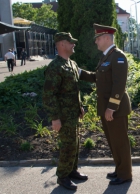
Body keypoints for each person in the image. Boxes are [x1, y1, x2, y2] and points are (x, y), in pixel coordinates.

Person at [79, 24, 132, 185]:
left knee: (120, 141)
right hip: (107, 108)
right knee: (113, 141)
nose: (96, 41)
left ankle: (125, 174)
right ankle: (119, 169)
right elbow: (98, 77)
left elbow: (119, 85)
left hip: (115, 109)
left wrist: (111, 107)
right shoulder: (106, 57)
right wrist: (80, 72)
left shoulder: (118, 56)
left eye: (98, 38)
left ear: (107, 38)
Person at [42, 32, 88, 190]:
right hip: (63, 116)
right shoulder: (55, 67)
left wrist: (80, 106)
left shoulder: (72, 64)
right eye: (71, 42)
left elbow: (75, 89)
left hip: (73, 113)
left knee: (75, 144)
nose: (73, 44)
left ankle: (72, 170)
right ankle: (62, 176)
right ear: (61, 44)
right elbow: (49, 95)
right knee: (67, 145)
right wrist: (55, 118)